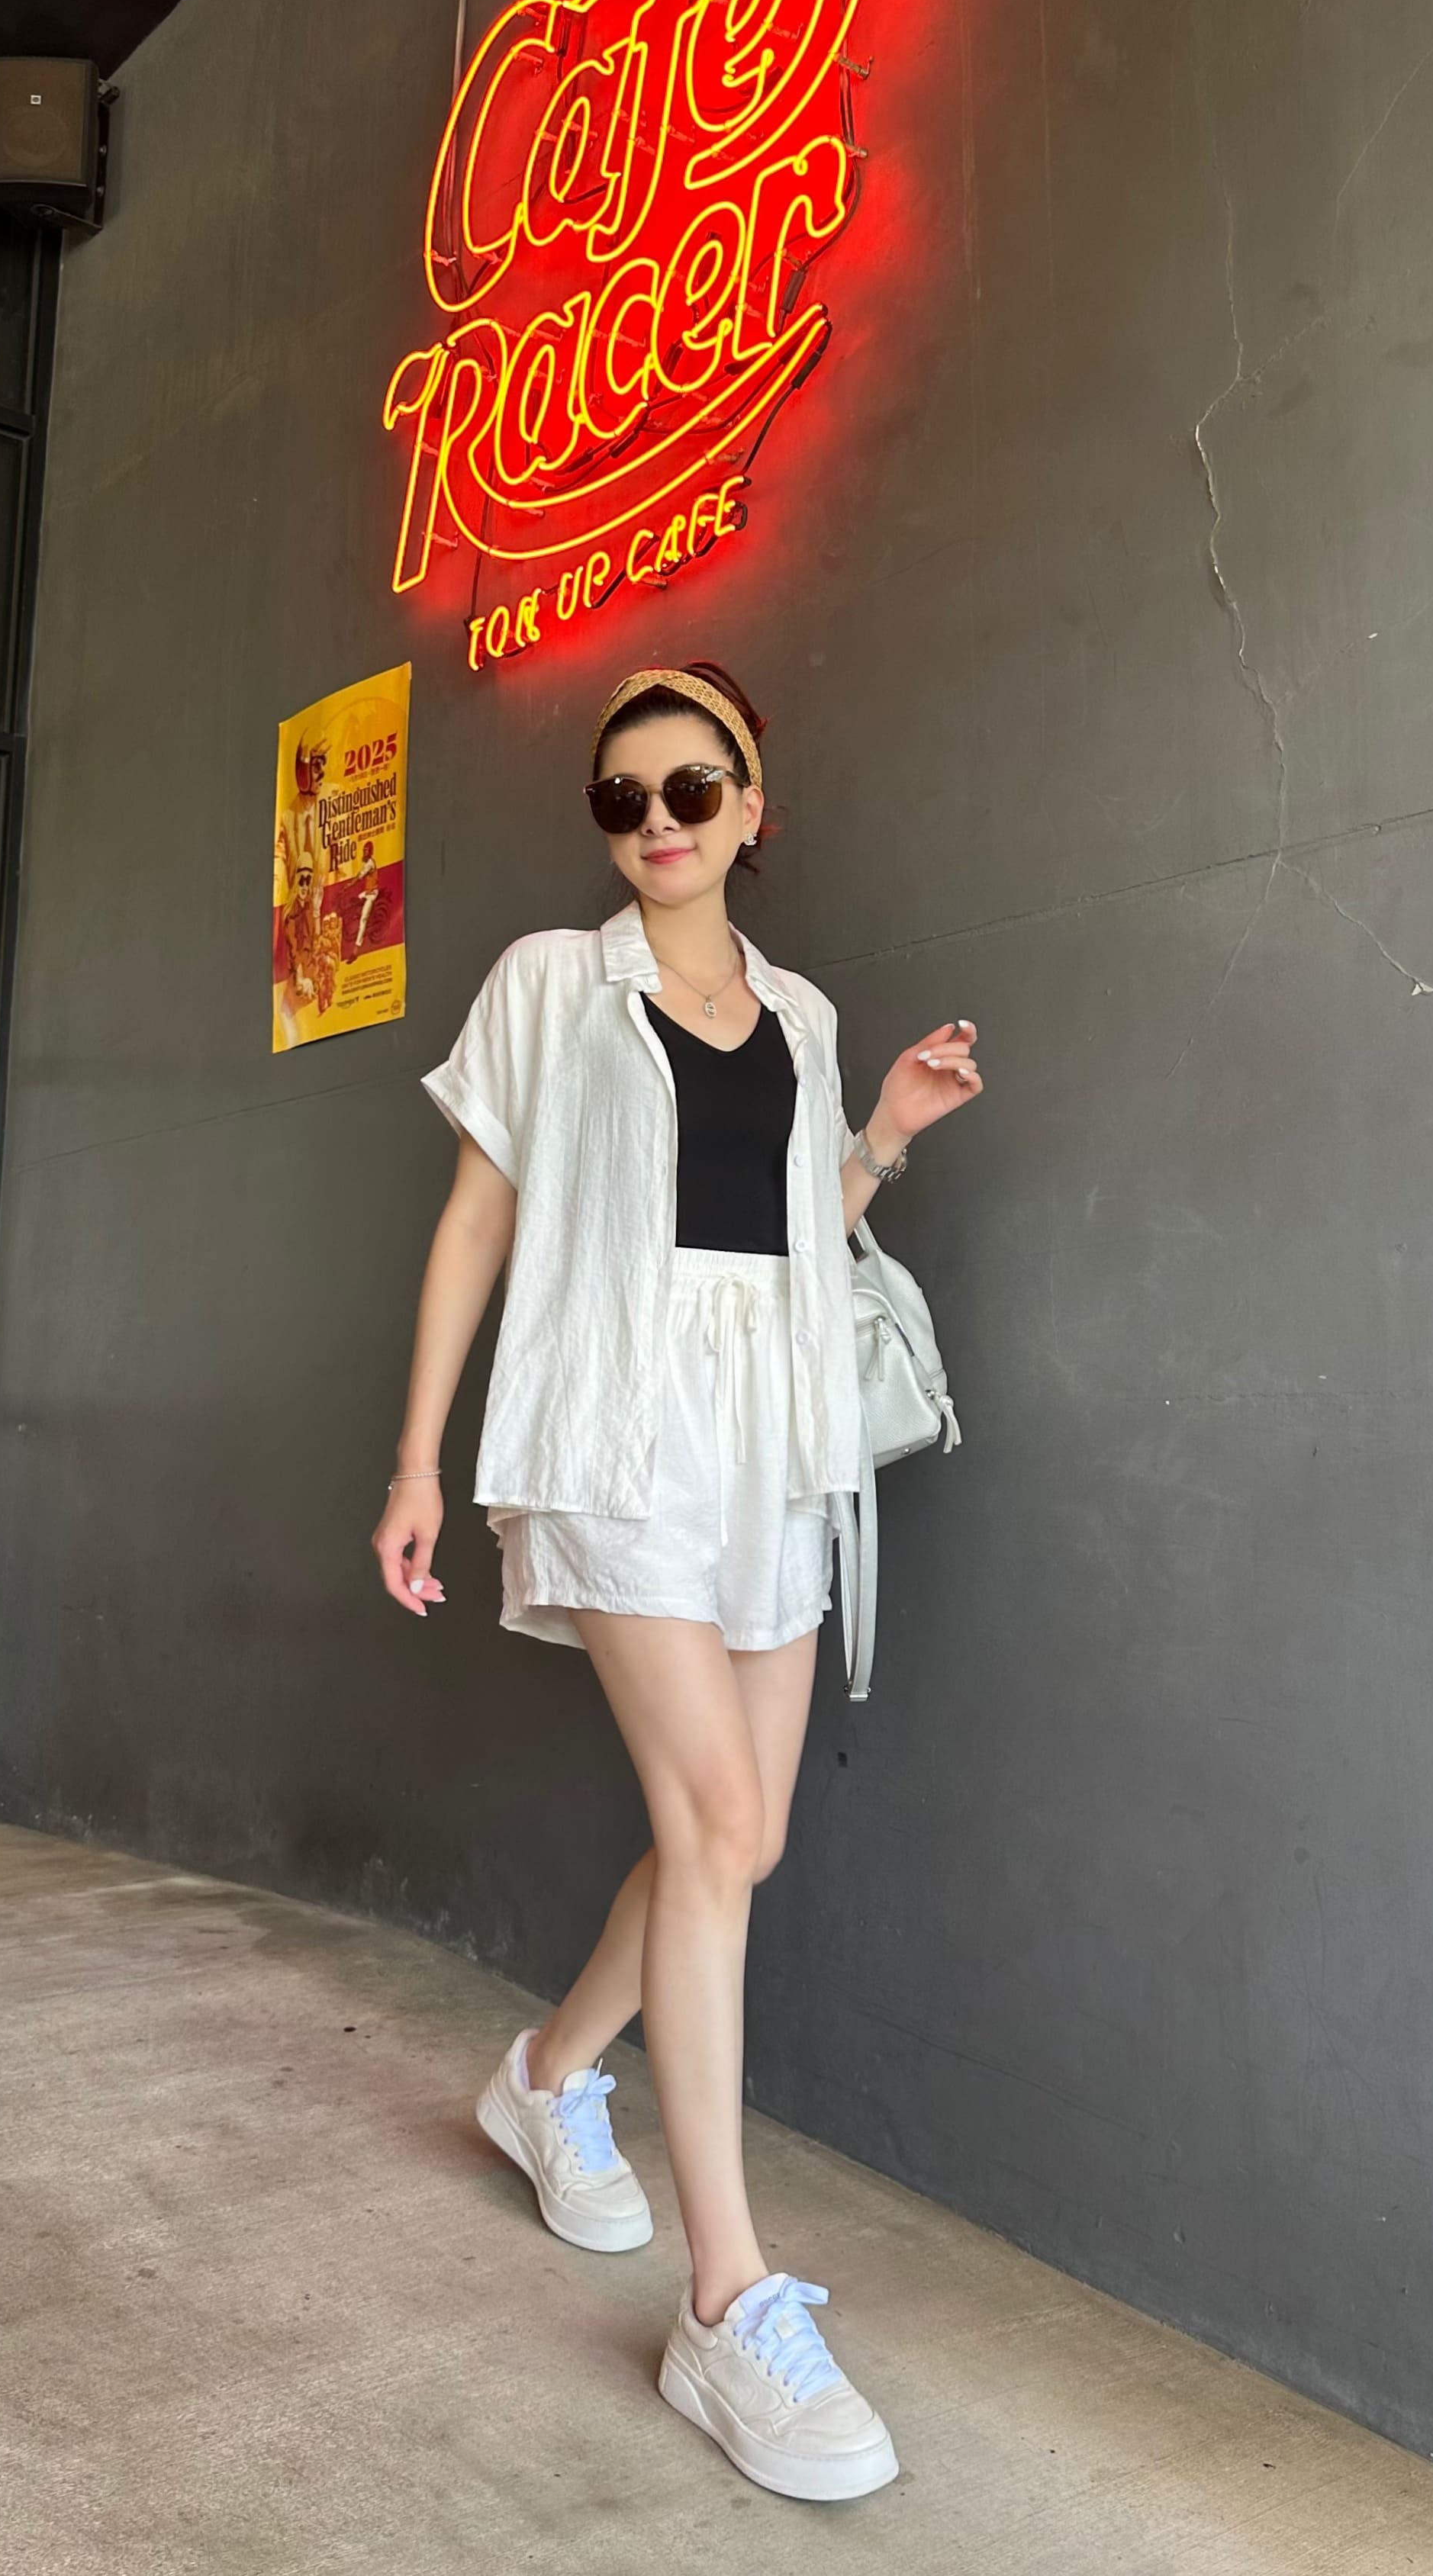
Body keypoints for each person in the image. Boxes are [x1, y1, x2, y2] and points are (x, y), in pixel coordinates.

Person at [371, 660, 983, 2504]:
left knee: (743, 1837)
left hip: (771, 1443)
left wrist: (882, 1133)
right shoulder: (549, 985)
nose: (655, 821)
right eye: (621, 795)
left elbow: (793, 1239)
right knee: (713, 1821)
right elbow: (478, 1217)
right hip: (615, 1430)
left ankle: (550, 2073)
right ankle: (726, 2301)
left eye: (690, 788)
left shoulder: (800, 1010)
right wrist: (419, 1458)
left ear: (750, 806)